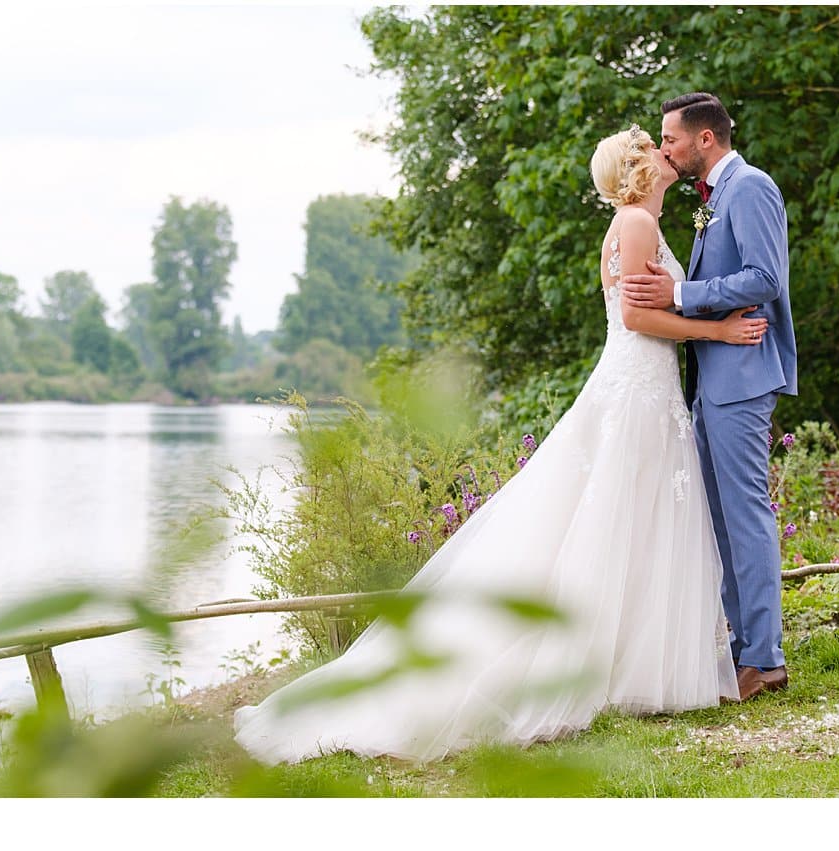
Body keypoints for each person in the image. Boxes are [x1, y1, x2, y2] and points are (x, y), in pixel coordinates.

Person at [232, 125, 766, 764]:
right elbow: (634, 317)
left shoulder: (644, 223)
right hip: (635, 390)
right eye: (653, 145)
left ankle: (637, 666)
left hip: (652, 389)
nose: (664, 148)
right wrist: (718, 333)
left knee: (640, 521)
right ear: (638, 167)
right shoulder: (634, 224)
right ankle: (598, 667)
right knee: (616, 517)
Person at [622, 92, 797, 701]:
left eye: (670, 139)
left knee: (745, 514)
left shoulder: (750, 188)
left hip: (743, 375)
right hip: (713, 378)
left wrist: (681, 295)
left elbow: (764, 278)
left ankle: (765, 660)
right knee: (721, 518)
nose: (664, 149)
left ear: (704, 138)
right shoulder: (713, 199)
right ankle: (745, 651)